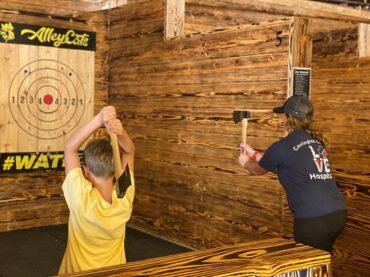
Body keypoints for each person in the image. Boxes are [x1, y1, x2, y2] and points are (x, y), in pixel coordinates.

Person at [238, 95, 346, 253]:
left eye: (283, 115)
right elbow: (284, 165)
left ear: (287, 117)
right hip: (337, 214)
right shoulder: (316, 142)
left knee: (307, 267)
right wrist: (253, 153)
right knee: (322, 262)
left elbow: (258, 169)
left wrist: (244, 162)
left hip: (313, 220)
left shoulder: (282, 146)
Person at [58, 106, 135, 274]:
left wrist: (98, 121)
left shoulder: (81, 197)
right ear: (116, 170)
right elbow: (129, 151)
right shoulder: (124, 194)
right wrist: (119, 131)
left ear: (85, 171)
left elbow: (70, 148)